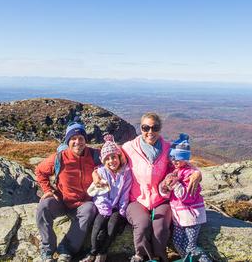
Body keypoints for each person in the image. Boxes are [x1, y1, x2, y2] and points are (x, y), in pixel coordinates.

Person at [93, 112, 202, 262]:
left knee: (161, 228)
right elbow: (108, 159)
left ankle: (159, 257)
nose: (150, 132)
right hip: (136, 199)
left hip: (161, 198)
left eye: (154, 128)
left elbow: (182, 162)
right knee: (142, 224)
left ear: (159, 129)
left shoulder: (167, 148)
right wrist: (95, 174)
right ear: (141, 128)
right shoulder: (129, 147)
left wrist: (197, 172)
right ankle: (141, 256)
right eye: (145, 128)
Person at [35, 118, 98, 262]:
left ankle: (66, 249)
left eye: (81, 138)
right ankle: (47, 250)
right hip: (62, 201)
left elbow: (115, 159)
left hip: (84, 203)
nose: (77, 142)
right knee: (43, 207)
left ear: (85, 139)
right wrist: (47, 190)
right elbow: (39, 171)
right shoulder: (59, 158)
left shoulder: (94, 155)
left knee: (90, 209)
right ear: (67, 141)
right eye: (73, 138)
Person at [159, 133, 211, 262]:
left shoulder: (190, 174)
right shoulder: (174, 171)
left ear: (185, 158)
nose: (175, 161)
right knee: (177, 243)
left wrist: (176, 183)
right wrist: (165, 186)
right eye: (172, 158)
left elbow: (187, 198)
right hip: (179, 217)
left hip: (191, 217)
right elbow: (166, 194)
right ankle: (188, 260)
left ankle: (205, 260)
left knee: (191, 246)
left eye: (178, 158)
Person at [81, 134, 132, 262]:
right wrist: (105, 211)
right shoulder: (102, 172)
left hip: (117, 208)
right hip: (103, 207)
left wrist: (121, 211)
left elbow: (125, 194)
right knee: (98, 227)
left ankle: (102, 253)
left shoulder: (126, 173)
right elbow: (100, 195)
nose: (111, 161)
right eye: (107, 159)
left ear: (119, 157)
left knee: (112, 225)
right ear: (104, 161)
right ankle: (92, 252)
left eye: (114, 157)